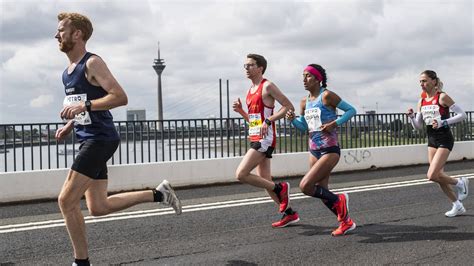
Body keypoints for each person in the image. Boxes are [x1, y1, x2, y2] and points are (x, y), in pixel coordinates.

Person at [54, 12, 182, 266]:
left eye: (61, 30)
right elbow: (85, 106)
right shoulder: (67, 73)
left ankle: (81, 263)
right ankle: (158, 194)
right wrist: (71, 123)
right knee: (98, 207)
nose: (56, 35)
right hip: (87, 138)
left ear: (77, 34)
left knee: (66, 201)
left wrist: (85, 106)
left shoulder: (92, 63)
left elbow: (119, 97)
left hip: (100, 139)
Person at [286, 64, 357, 236]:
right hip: (314, 150)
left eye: (308, 76)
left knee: (305, 186)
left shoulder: (327, 96)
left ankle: (340, 200)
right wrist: (293, 120)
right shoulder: (304, 101)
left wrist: (335, 123)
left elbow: (351, 110)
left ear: (318, 79)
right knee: (321, 191)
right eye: (303, 76)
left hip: (329, 149)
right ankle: (346, 222)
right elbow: (304, 127)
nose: (304, 79)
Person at [233, 54, 299, 228]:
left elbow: (288, 107)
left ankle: (281, 188)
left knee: (241, 174)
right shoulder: (250, 90)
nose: (246, 68)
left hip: (265, 138)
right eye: (245, 66)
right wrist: (241, 111)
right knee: (265, 179)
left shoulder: (267, 86)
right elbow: (256, 121)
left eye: (250, 65)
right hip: (256, 135)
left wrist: (270, 121)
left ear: (260, 67)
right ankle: (289, 214)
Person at [407, 70, 468, 217]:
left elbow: (462, 115)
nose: (422, 84)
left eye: (425, 81)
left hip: (444, 138)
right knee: (438, 176)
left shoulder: (442, 97)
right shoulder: (421, 101)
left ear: (434, 81)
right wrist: (411, 117)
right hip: (431, 140)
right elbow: (419, 126)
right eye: (420, 81)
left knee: (431, 175)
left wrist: (443, 122)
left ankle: (460, 183)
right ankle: (457, 205)